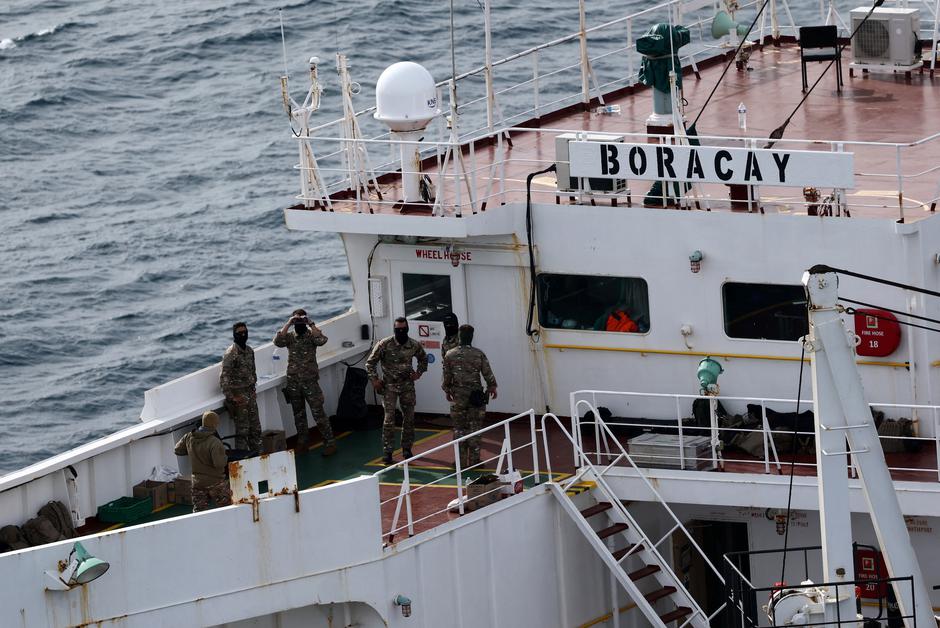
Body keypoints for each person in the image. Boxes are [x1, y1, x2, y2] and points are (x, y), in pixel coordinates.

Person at [365, 317, 428, 465]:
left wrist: (418, 373)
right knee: (389, 420)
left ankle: (407, 449)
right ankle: (388, 452)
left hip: (407, 386)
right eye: (398, 329)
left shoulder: (414, 345)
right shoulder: (384, 344)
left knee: (409, 418)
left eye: (403, 329)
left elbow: (423, 359)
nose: (401, 332)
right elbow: (370, 363)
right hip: (389, 387)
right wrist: (374, 380)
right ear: (394, 330)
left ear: (407, 329)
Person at [274, 308, 336, 456]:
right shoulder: (290, 337)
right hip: (294, 382)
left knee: (318, 413)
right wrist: (289, 323)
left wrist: (311, 323)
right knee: (299, 415)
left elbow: (322, 340)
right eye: (297, 321)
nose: (299, 323)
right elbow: (277, 342)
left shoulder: (311, 336)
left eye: (301, 320)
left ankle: (330, 443)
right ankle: (303, 443)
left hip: (310, 382)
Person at [442, 324, 497, 467]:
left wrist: (447, 391)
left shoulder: (449, 354)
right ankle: (474, 460)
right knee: (475, 427)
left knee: (459, 428)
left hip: (458, 397)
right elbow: (487, 374)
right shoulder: (479, 354)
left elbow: (446, 378)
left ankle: (460, 462)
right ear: (472, 337)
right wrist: (492, 387)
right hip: (476, 398)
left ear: (459, 336)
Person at [174, 411, 232, 512]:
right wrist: (225, 457)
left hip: (197, 482)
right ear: (214, 424)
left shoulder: (189, 437)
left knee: (199, 512)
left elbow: (177, 450)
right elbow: (219, 464)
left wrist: (192, 451)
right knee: (226, 508)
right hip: (215, 482)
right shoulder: (215, 442)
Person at [220, 322, 262, 453]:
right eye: (240, 333)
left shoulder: (249, 351)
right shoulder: (231, 354)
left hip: (250, 395)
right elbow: (224, 379)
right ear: (234, 335)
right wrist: (232, 398)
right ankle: (243, 460)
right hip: (239, 399)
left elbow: (252, 371)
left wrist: (253, 389)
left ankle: (258, 455)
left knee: (256, 429)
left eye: (245, 332)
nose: (243, 335)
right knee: (242, 432)